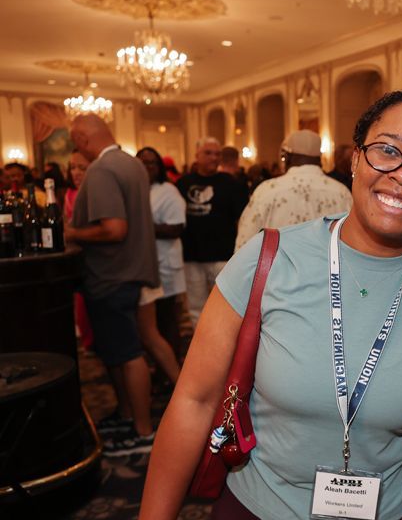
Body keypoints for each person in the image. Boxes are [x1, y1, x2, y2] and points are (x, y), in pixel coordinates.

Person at [134, 91, 402, 520]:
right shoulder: (268, 258)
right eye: (387, 150)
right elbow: (194, 400)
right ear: (354, 160)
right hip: (262, 514)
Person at [64, 114, 160, 456]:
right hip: (129, 273)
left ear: (84, 139)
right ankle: (126, 415)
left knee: (128, 354)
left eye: (77, 144)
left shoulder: (103, 169)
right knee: (120, 352)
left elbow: (115, 229)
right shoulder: (131, 163)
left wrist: (72, 232)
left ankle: (143, 432)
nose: (78, 151)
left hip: (112, 275)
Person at [235, 130, 352, 251]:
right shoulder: (341, 192)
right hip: (330, 269)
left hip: (278, 270)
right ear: (319, 158)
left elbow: (244, 244)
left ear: (286, 157)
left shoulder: (267, 191)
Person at [176, 138, 249, 326]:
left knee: (227, 305)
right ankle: (199, 349)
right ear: (197, 155)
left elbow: (241, 219)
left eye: (217, 154)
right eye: (208, 153)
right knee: (195, 306)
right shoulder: (183, 184)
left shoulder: (230, 183)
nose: (214, 158)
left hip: (222, 255)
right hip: (192, 254)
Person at [137, 146, 187, 381]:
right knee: (150, 324)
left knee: (166, 321)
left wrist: (143, 227)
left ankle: (171, 374)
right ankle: (160, 370)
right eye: (142, 162)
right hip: (145, 265)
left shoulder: (168, 191)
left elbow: (176, 227)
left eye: (152, 163)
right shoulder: (136, 189)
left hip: (165, 265)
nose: (147, 168)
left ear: (160, 167)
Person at [66, 151, 94, 351]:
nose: (76, 173)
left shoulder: (95, 194)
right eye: (72, 168)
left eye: (81, 168)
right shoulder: (69, 195)